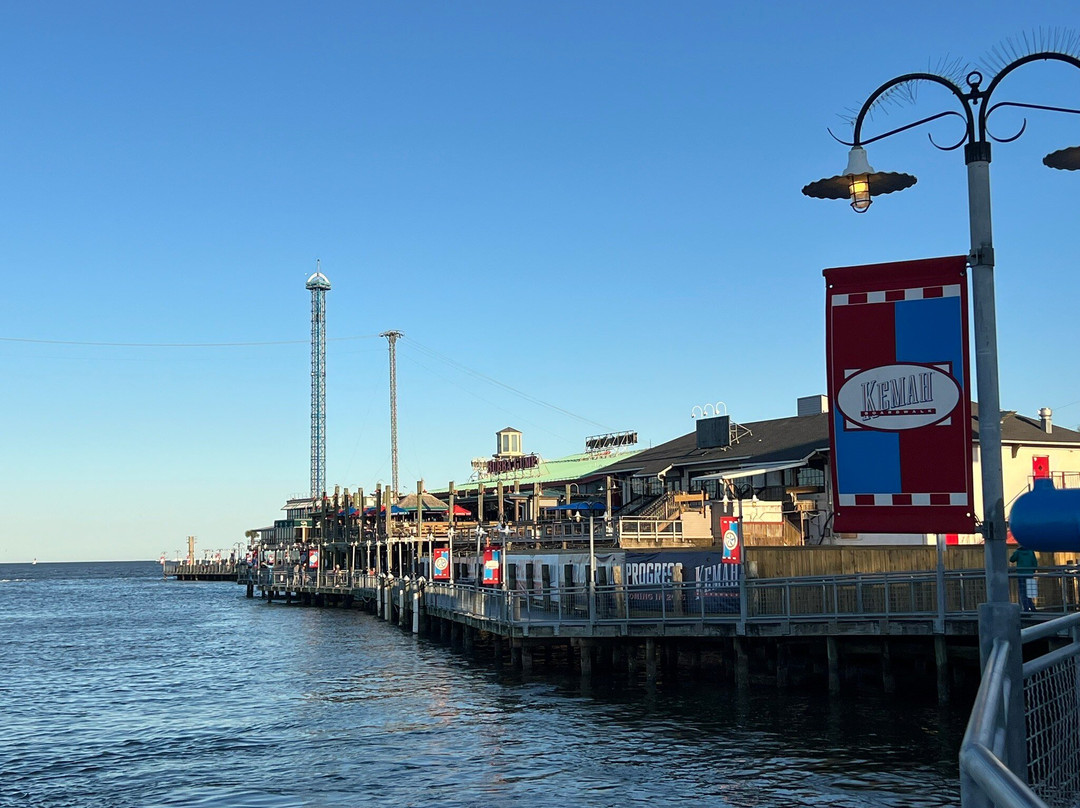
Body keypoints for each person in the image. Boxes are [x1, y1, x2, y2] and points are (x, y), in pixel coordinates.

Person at [1010, 544, 1038, 611]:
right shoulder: (1031, 551)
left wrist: (1016, 552)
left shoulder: (1018, 552)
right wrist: (1033, 570)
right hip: (1030, 574)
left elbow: (1012, 559)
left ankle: (1026, 608)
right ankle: (1032, 607)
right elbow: (1034, 562)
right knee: (1030, 592)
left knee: (1023, 592)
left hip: (1021, 574)